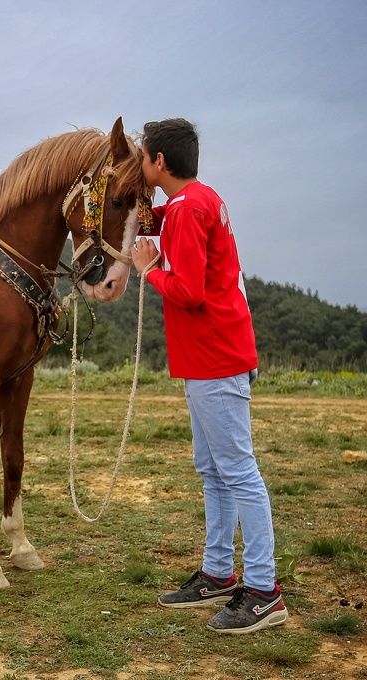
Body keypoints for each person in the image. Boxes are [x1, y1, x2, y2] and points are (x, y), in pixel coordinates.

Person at [130, 118, 287, 634]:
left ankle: (264, 590)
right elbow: (166, 221)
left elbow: (190, 292)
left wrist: (148, 269)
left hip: (215, 356)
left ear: (158, 162)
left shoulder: (189, 210)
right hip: (207, 358)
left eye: (143, 156)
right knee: (214, 470)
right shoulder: (191, 201)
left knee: (237, 471)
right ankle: (219, 572)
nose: (141, 163)